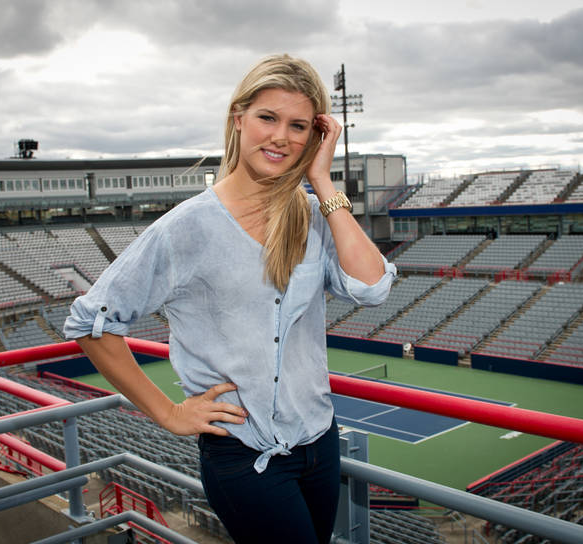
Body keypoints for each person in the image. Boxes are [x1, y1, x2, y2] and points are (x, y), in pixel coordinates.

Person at [63, 54, 396, 544]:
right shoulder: (186, 228)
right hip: (244, 456)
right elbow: (91, 323)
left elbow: (373, 288)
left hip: (319, 443)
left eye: (298, 126)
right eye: (268, 118)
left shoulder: (315, 215)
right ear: (238, 118)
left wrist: (324, 181)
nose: (281, 137)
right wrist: (169, 412)